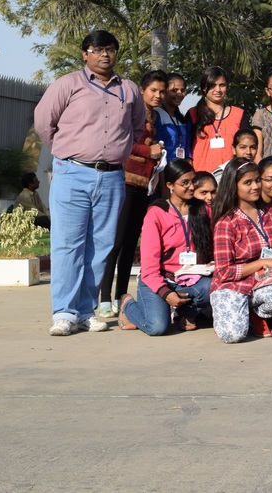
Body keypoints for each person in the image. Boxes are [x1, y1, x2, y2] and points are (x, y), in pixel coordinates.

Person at [34, 30, 145, 336]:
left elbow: (136, 128)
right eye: (97, 49)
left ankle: (85, 311)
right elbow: (44, 123)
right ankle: (64, 313)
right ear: (85, 54)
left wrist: (117, 152)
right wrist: (67, 150)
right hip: (72, 172)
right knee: (68, 244)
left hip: (111, 177)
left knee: (101, 246)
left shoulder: (129, 90)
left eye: (110, 49)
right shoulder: (68, 84)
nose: (104, 54)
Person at [98, 69, 167, 319]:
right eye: (153, 90)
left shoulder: (155, 117)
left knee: (130, 244)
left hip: (144, 186)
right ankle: (104, 298)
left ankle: (120, 296)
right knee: (115, 241)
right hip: (125, 180)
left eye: (162, 92)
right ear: (141, 90)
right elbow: (120, 142)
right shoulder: (129, 111)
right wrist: (149, 152)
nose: (158, 95)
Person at [118, 159, 213, 335]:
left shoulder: (203, 210)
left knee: (212, 287)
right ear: (170, 185)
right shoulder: (156, 213)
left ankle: (186, 313)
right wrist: (165, 293)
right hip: (159, 279)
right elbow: (149, 268)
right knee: (157, 327)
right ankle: (127, 305)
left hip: (190, 279)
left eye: (193, 181)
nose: (191, 187)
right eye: (184, 183)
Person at [210, 158, 272, 342]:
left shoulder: (271, 212)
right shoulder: (227, 222)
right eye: (247, 182)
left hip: (262, 280)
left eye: (257, 180)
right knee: (233, 335)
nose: (255, 186)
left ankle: (256, 313)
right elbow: (224, 272)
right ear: (234, 186)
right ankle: (229, 311)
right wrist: (262, 262)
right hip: (232, 285)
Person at [188, 66, 251, 174]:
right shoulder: (193, 114)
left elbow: (249, 145)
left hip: (232, 176)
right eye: (213, 85)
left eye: (222, 85)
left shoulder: (239, 114)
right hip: (201, 177)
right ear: (204, 88)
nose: (218, 90)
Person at [155, 72, 191, 162]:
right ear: (165, 91)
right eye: (174, 90)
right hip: (163, 167)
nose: (179, 94)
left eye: (182, 90)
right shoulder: (157, 114)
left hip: (181, 167)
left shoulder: (182, 118)